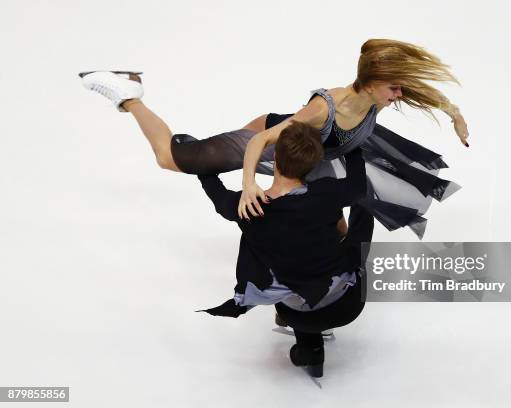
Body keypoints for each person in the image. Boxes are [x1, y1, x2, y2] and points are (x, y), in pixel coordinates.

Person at [79, 38, 468, 239]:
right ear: (370, 85)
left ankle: (312, 295)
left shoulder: (379, 97)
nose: (399, 96)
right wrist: (248, 186)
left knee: (333, 223)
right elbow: (258, 141)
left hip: (316, 154)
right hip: (274, 141)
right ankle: (129, 94)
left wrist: (455, 115)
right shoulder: (324, 107)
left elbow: (425, 94)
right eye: (394, 89)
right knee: (169, 157)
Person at [195, 120, 373, 378]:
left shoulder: (248, 207)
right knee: (362, 209)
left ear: (274, 159)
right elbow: (358, 185)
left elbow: (214, 189)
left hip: (297, 314)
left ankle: (310, 349)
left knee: (293, 273)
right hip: (349, 306)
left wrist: (200, 161)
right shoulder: (327, 193)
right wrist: (352, 143)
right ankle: (313, 342)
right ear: (314, 165)